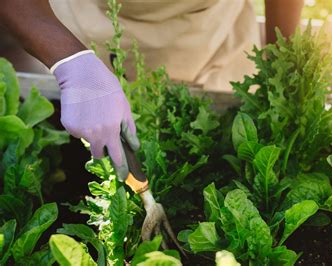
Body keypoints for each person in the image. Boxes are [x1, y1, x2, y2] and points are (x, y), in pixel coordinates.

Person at [0, 0, 303, 179]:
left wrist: (283, 60)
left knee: (217, 152)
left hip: (212, 26)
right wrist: (71, 62)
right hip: (94, 22)